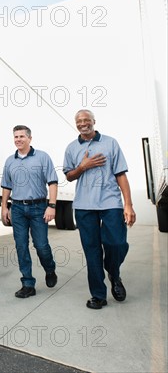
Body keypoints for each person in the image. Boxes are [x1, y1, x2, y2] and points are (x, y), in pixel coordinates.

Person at [63, 109, 136, 310]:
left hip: (110, 202)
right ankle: (98, 295)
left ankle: (113, 272)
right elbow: (69, 176)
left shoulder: (110, 143)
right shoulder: (71, 148)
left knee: (117, 243)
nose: (83, 123)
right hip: (84, 206)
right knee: (92, 250)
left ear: (94, 121)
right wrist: (83, 166)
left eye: (87, 119)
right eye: (79, 121)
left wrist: (128, 204)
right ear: (76, 124)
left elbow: (121, 174)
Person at [0, 125, 58, 299]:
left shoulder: (42, 157)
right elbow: (6, 186)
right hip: (17, 208)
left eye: (21, 136)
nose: (18, 139)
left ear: (29, 138)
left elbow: (53, 183)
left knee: (41, 245)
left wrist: (52, 206)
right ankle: (27, 283)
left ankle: (50, 269)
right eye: (15, 137)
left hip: (38, 207)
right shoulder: (10, 160)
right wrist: (4, 206)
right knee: (21, 246)